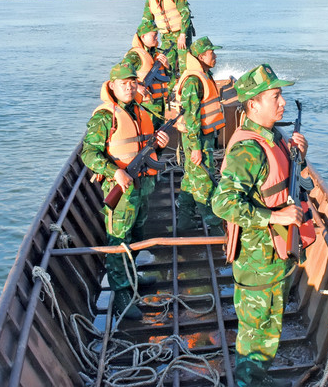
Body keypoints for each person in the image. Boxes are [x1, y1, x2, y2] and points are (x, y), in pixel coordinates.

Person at [211, 64, 310, 387]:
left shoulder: (272, 137)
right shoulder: (248, 149)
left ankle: (255, 379)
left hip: (273, 257)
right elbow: (222, 203)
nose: (282, 103)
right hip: (257, 260)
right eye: (275, 96)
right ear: (253, 104)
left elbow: (279, 181)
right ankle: (247, 381)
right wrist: (275, 217)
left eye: (281, 96)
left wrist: (300, 157)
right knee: (256, 334)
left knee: (267, 329)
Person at [81, 62, 169, 320]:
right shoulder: (105, 116)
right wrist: (113, 171)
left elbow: (147, 151)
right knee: (118, 242)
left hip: (142, 188)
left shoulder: (140, 111)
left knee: (138, 234)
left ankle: (133, 277)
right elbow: (89, 152)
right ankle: (121, 294)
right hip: (120, 191)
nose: (129, 87)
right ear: (112, 86)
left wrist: (160, 146)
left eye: (133, 82)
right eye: (124, 84)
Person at [174, 36, 225, 232]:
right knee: (205, 185)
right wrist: (196, 148)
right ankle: (217, 233)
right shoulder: (193, 81)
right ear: (202, 56)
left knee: (189, 183)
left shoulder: (203, 75)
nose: (216, 56)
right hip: (198, 142)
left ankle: (184, 226)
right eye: (212, 53)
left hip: (203, 140)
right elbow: (191, 118)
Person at [141, 0, 194, 90]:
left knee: (184, 64)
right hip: (166, 37)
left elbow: (186, 14)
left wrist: (182, 35)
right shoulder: (150, 0)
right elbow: (146, 22)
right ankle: (170, 93)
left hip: (182, 34)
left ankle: (186, 92)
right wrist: (143, 41)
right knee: (166, 65)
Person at [123, 21, 170, 126]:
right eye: (154, 35)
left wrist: (167, 66)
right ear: (143, 36)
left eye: (157, 35)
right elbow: (122, 75)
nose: (157, 38)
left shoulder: (157, 54)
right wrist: (137, 87)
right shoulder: (134, 55)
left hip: (159, 103)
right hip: (146, 104)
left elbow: (168, 78)